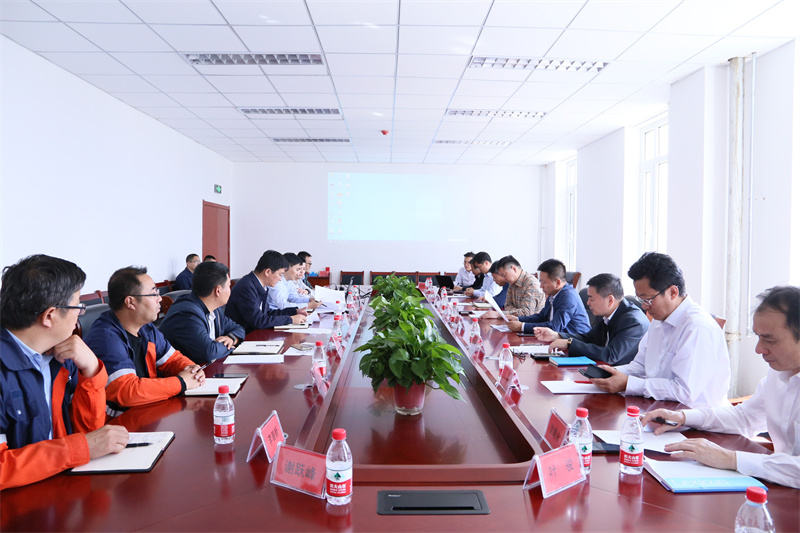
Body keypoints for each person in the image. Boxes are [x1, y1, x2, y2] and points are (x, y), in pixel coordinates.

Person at [642, 286, 800, 488]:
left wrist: (730, 458)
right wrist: (683, 417)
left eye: (769, 339)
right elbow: (744, 417)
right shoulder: (778, 374)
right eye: (758, 337)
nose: (758, 349)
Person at [1, 255, 129, 490]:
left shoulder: (61, 355)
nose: (80, 314)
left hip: (60, 486)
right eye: (78, 306)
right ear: (49, 316)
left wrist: (91, 371)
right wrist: (80, 448)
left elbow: (89, 433)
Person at [588, 252, 730, 408]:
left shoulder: (697, 327)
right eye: (640, 299)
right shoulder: (658, 321)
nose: (644, 306)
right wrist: (611, 373)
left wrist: (628, 383)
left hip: (695, 416)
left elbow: (684, 391)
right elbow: (640, 366)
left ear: (673, 292)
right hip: (658, 407)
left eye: (648, 299)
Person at [84, 267, 205, 416]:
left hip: (147, 411)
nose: (160, 299)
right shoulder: (105, 338)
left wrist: (192, 370)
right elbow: (127, 391)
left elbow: (172, 359)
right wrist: (181, 382)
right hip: (119, 422)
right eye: (154, 294)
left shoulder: (146, 328)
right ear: (131, 302)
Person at [535, 273, 649, 365]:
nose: (588, 303)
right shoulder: (607, 313)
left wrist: (569, 344)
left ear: (610, 300)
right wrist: (557, 336)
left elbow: (610, 355)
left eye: (591, 299)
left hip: (625, 378)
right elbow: (588, 338)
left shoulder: (633, 322)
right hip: (603, 369)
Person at [159, 261, 245, 364]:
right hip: (181, 372)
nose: (230, 290)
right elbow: (209, 352)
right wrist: (229, 347)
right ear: (218, 291)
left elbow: (238, 329)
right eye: (228, 286)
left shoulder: (215, 310)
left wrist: (231, 338)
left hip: (203, 369)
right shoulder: (187, 314)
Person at [226, 250, 307, 333]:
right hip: (243, 336)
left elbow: (267, 313)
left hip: (256, 332)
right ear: (268, 272)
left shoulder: (262, 285)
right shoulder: (246, 287)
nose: (280, 279)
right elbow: (258, 320)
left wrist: (293, 311)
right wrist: (290, 319)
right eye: (280, 275)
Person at [508, 259, 590, 336]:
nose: (541, 286)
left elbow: (555, 327)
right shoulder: (554, 294)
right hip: (559, 338)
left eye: (543, 282)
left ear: (557, 282)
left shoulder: (568, 297)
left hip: (575, 341)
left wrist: (522, 327)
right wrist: (518, 319)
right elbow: (542, 316)